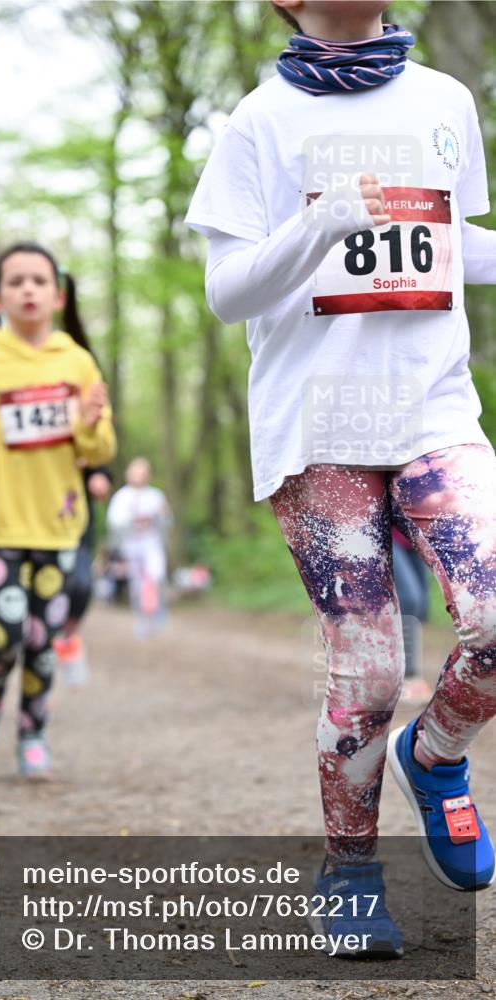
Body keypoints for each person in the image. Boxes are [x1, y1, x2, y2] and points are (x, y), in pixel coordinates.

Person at [186, 0, 496, 956]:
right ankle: (351, 874)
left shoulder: (443, 97)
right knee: (364, 677)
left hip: (431, 407)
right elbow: (227, 288)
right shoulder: (258, 121)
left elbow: (449, 247)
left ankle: (435, 754)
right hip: (318, 425)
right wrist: (319, 227)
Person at [0, 242, 116, 778]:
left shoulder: (76, 360)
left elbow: (101, 449)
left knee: (43, 642)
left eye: (38, 280)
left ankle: (33, 733)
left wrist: (89, 422)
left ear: (58, 294)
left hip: (60, 528)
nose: (27, 290)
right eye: (15, 281)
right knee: (3, 635)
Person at [52, 464, 113, 687]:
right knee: (50, 592)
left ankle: (67, 639)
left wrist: (100, 476)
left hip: (77, 529)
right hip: (37, 528)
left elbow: (98, 459)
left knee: (82, 586)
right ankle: (47, 647)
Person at [106, 458, 172, 636]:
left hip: (152, 543)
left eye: (143, 473)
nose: (139, 477)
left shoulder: (155, 495)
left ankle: (158, 612)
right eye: (136, 472)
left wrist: (162, 516)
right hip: (131, 545)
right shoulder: (121, 497)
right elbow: (114, 523)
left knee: (156, 576)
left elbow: (166, 521)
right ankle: (142, 619)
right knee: (136, 583)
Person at [392, 525, 432, 704]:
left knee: (421, 605)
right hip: (384, 530)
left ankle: (409, 675)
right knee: (409, 599)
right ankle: (405, 677)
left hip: (414, 532)